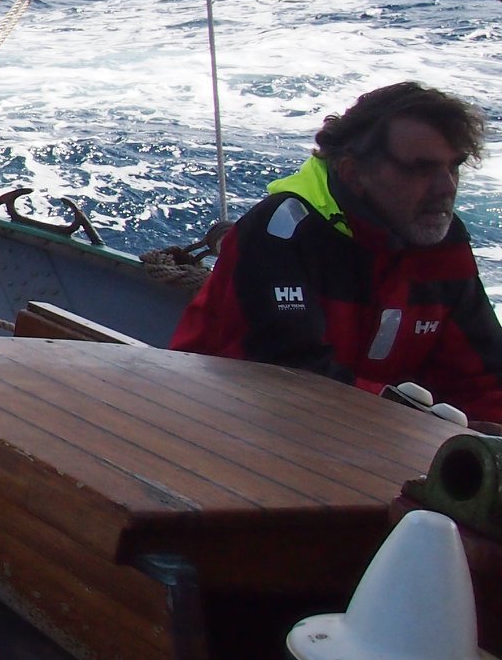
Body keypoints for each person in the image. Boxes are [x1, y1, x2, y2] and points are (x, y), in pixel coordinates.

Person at [171, 81, 502, 423]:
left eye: (454, 167)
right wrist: (411, 422)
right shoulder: (283, 234)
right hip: (213, 424)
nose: (446, 187)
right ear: (353, 173)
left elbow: (484, 376)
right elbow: (285, 378)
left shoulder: (441, 243)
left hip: (373, 442)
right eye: (421, 169)